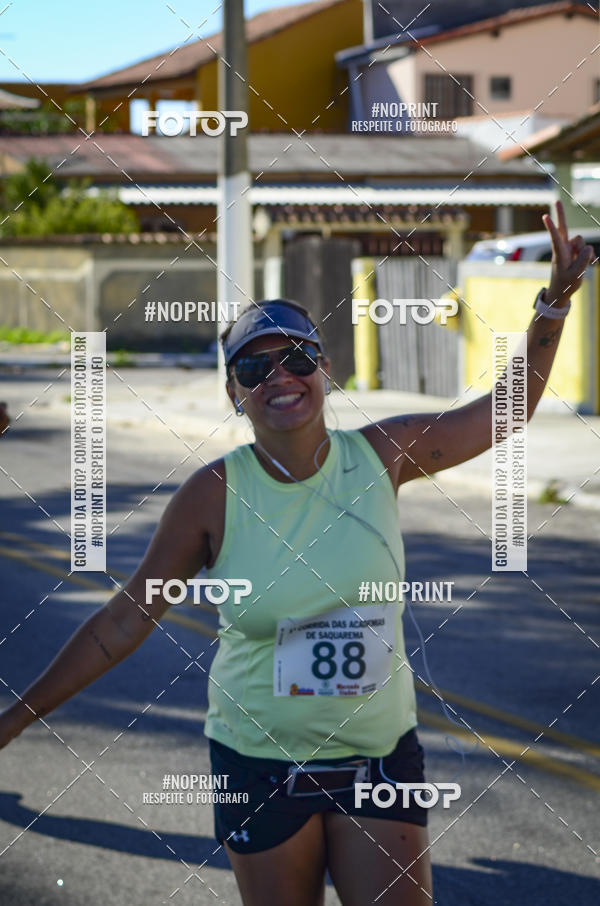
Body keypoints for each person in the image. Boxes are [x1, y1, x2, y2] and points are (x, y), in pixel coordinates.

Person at [0, 202, 593, 905]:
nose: (280, 376)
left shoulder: (384, 453)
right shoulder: (211, 495)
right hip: (257, 763)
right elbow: (125, 621)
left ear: (325, 367)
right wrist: (12, 723)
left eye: (297, 356)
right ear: (233, 391)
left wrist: (552, 301)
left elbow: (509, 407)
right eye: (255, 365)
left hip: (378, 754)